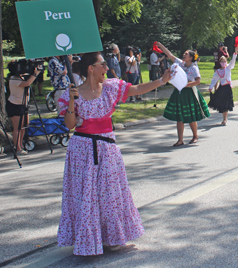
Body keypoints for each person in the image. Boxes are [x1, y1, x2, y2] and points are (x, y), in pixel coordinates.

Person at [57, 52, 172, 256]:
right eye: (102, 64)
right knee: (87, 195)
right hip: (81, 150)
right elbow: (70, 125)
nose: (107, 67)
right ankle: (89, 240)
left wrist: (161, 80)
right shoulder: (70, 94)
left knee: (109, 194)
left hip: (107, 147)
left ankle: (112, 238)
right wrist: (73, 102)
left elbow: (136, 88)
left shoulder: (110, 86)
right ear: (91, 68)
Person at [156, 42, 210, 146]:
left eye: (186, 54)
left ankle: (195, 136)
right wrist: (161, 46)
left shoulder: (194, 68)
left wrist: (186, 85)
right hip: (179, 92)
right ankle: (180, 140)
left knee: (190, 116)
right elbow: (170, 55)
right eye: (184, 53)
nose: (184, 55)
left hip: (189, 92)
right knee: (179, 117)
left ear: (190, 57)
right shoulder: (180, 63)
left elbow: (198, 81)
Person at [6, 61, 42, 155]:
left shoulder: (20, 77)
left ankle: (21, 145)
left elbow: (27, 80)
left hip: (23, 104)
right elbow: (27, 83)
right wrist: (35, 74)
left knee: (23, 126)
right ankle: (17, 148)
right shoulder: (14, 79)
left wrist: (32, 68)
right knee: (17, 127)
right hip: (15, 105)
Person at [208, 46, 238, 125]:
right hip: (222, 88)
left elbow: (233, 61)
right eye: (222, 61)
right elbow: (214, 79)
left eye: (224, 61)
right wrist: (211, 87)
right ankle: (224, 118)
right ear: (219, 62)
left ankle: (225, 119)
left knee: (226, 104)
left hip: (228, 87)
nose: (223, 62)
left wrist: (235, 52)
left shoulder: (228, 68)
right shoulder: (218, 71)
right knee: (222, 103)